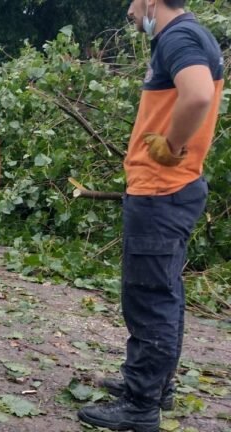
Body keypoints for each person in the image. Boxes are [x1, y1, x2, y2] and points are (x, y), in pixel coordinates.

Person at [77, 1, 225, 431]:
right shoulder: (195, 34)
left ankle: (141, 407)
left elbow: (197, 93)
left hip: (161, 192)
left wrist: (172, 145)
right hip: (173, 191)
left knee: (149, 298)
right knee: (164, 293)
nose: (129, 11)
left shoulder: (178, 37)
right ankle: (152, 384)